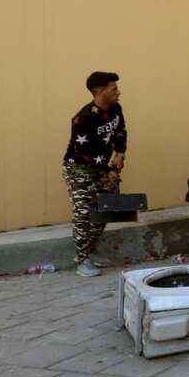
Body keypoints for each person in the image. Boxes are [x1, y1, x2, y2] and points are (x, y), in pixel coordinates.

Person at [62, 71, 127, 278]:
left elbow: (121, 130)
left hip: (101, 167)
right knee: (83, 213)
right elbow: (85, 152)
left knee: (103, 211)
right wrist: (108, 170)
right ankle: (82, 260)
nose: (118, 92)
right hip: (79, 169)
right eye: (113, 88)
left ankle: (89, 250)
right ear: (100, 91)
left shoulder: (115, 108)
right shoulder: (84, 118)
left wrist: (120, 153)